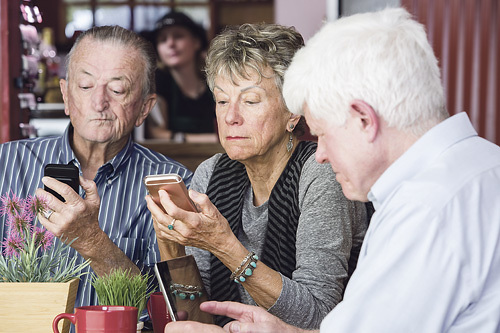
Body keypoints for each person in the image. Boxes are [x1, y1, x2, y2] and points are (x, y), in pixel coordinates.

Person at [162, 7, 500, 333]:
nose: (320, 152)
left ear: (364, 119)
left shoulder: (426, 209)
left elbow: (329, 315)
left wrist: (225, 247)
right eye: (222, 101)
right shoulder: (475, 169)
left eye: (322, 132)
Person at [146, 23, 368, 330]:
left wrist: (225, 245)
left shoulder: (321, 172)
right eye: (222, 100)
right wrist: (169, 241)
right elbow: (196, 310)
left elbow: (318, 314)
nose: (230, 116)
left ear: (293, 112)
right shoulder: (211, 173)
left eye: (250, 101)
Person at [0, 26, 192, 311]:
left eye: (117, 89)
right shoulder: (7, 163)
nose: (99, 102)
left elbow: (171, 311)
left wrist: (94, 243)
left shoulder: (170, 185)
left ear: (144, 108)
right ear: (65, 96)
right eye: (86, 86)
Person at [145, 11, 216, 142]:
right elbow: (157, 134)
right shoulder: (156, 83)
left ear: (196, 42)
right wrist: (212, 139)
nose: (170, 44)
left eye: (178, 36)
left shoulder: (215, 82)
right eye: (163, 40)